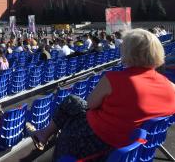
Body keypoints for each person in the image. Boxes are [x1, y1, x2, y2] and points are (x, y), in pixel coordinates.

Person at [26, 28, 175, 161]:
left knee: (71, 106)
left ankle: (44, 135)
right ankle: (44, 134)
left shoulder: (115, 79)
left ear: (128, 52)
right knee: (72, 103)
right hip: (135, 150)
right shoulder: (171, 87)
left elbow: (89, 105)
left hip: (101, 142)